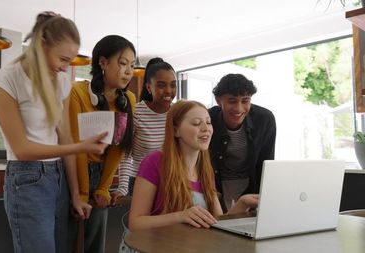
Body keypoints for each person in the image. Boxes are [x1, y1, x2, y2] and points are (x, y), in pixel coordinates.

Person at [0, 12, 108, 253]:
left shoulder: (61, 82)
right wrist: (81, 147)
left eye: (70, 61)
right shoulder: (4, 80)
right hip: (26, 179)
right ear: (41, 43)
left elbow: (64, 135)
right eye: (63, 59)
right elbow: (22, 149)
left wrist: (75, 194)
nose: (65, 67)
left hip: (59, 177)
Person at [128, 100, 258, 231]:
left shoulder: (205, 170)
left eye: (208, 122)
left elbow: (217, 222)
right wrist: (181, 217)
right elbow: (135, 223)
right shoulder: (155, 161)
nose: (206, 129)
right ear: (175, 130)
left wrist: (243, 203)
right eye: (196, 123)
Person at [68, 35, 137, 253]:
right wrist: (81, 192)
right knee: (68, 241)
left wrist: (104, 188)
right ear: (103, 62)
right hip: (73, 174)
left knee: (95, 245)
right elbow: (76, 146)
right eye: (123, 63)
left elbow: (118, 147)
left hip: (102, 174)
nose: (129, 71)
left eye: (132, 65)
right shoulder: (77, 93)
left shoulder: (129, 100)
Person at [110, 57, 177, 203]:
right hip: (142, 181)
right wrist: (122, 188)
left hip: (172, 181)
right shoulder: (135, 111)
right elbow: (125, 153)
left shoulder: (178, 113)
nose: (168, 91)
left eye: (173, 85)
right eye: (161, 85)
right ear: (148, 87)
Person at [208, 73, 276, 212]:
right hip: (216, 185)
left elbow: (266, 162)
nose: (239, 108)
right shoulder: (208, 119)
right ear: (218, 100)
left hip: (249, 183)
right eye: (232, 101)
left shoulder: (264, 119)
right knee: (220, 226)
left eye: (245, 101)